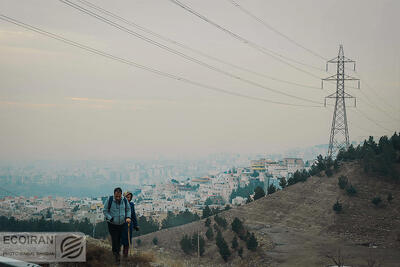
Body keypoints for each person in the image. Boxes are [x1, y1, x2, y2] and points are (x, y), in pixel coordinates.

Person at [103, 187, 131, 264]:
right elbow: (105, 211)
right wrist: (110, 218)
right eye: (116, 196)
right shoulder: (110, 200)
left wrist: (128, 217)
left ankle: (117, 254)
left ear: (121, 195)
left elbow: (128, 209)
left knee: (120, 240)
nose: (118, 198)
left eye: (119, 196)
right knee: (115, 240)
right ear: (114, 194)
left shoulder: (124, 200)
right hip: (112, 225)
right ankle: (116, 257)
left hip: (122, 224)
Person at [121, 191, 139, 258]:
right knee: (121, 241)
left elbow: (133, 215)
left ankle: (125, 256)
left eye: (129, 197)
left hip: (129, 225)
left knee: (127, 242)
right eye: (127, 197)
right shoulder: (121, 204)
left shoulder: (131, 204)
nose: (128, 199)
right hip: (122, 225)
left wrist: (136, 225)